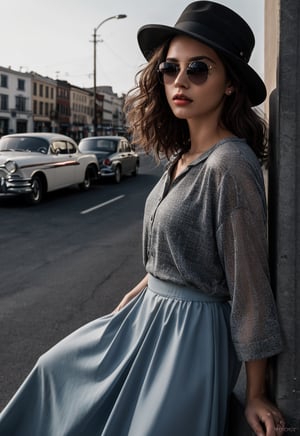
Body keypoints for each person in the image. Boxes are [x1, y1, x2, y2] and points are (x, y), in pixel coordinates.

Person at [0, 2, 285, 435]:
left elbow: (249, 284)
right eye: (171, 68)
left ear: (230, 84)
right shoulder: (180, 156)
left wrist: (257, 392)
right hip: (147, 315)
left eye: (199, 69)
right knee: (53, 374)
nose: (180, 81)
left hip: (188, 337)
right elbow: (181, 247)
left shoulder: (230, 165)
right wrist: (143, 286)